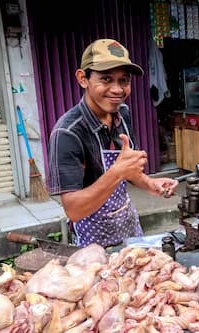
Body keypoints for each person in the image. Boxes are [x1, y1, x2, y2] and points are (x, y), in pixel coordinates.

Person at [47, 39, 178, 248]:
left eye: (124, 81)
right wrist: (117, 172)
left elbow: (128, 170)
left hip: (128, 227)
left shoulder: (122, 113)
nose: (117, 90)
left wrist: (149, 184)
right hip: (92, 242)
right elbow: (73, 209)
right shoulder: (67, 133)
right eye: (106, 79)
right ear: (83, 78)